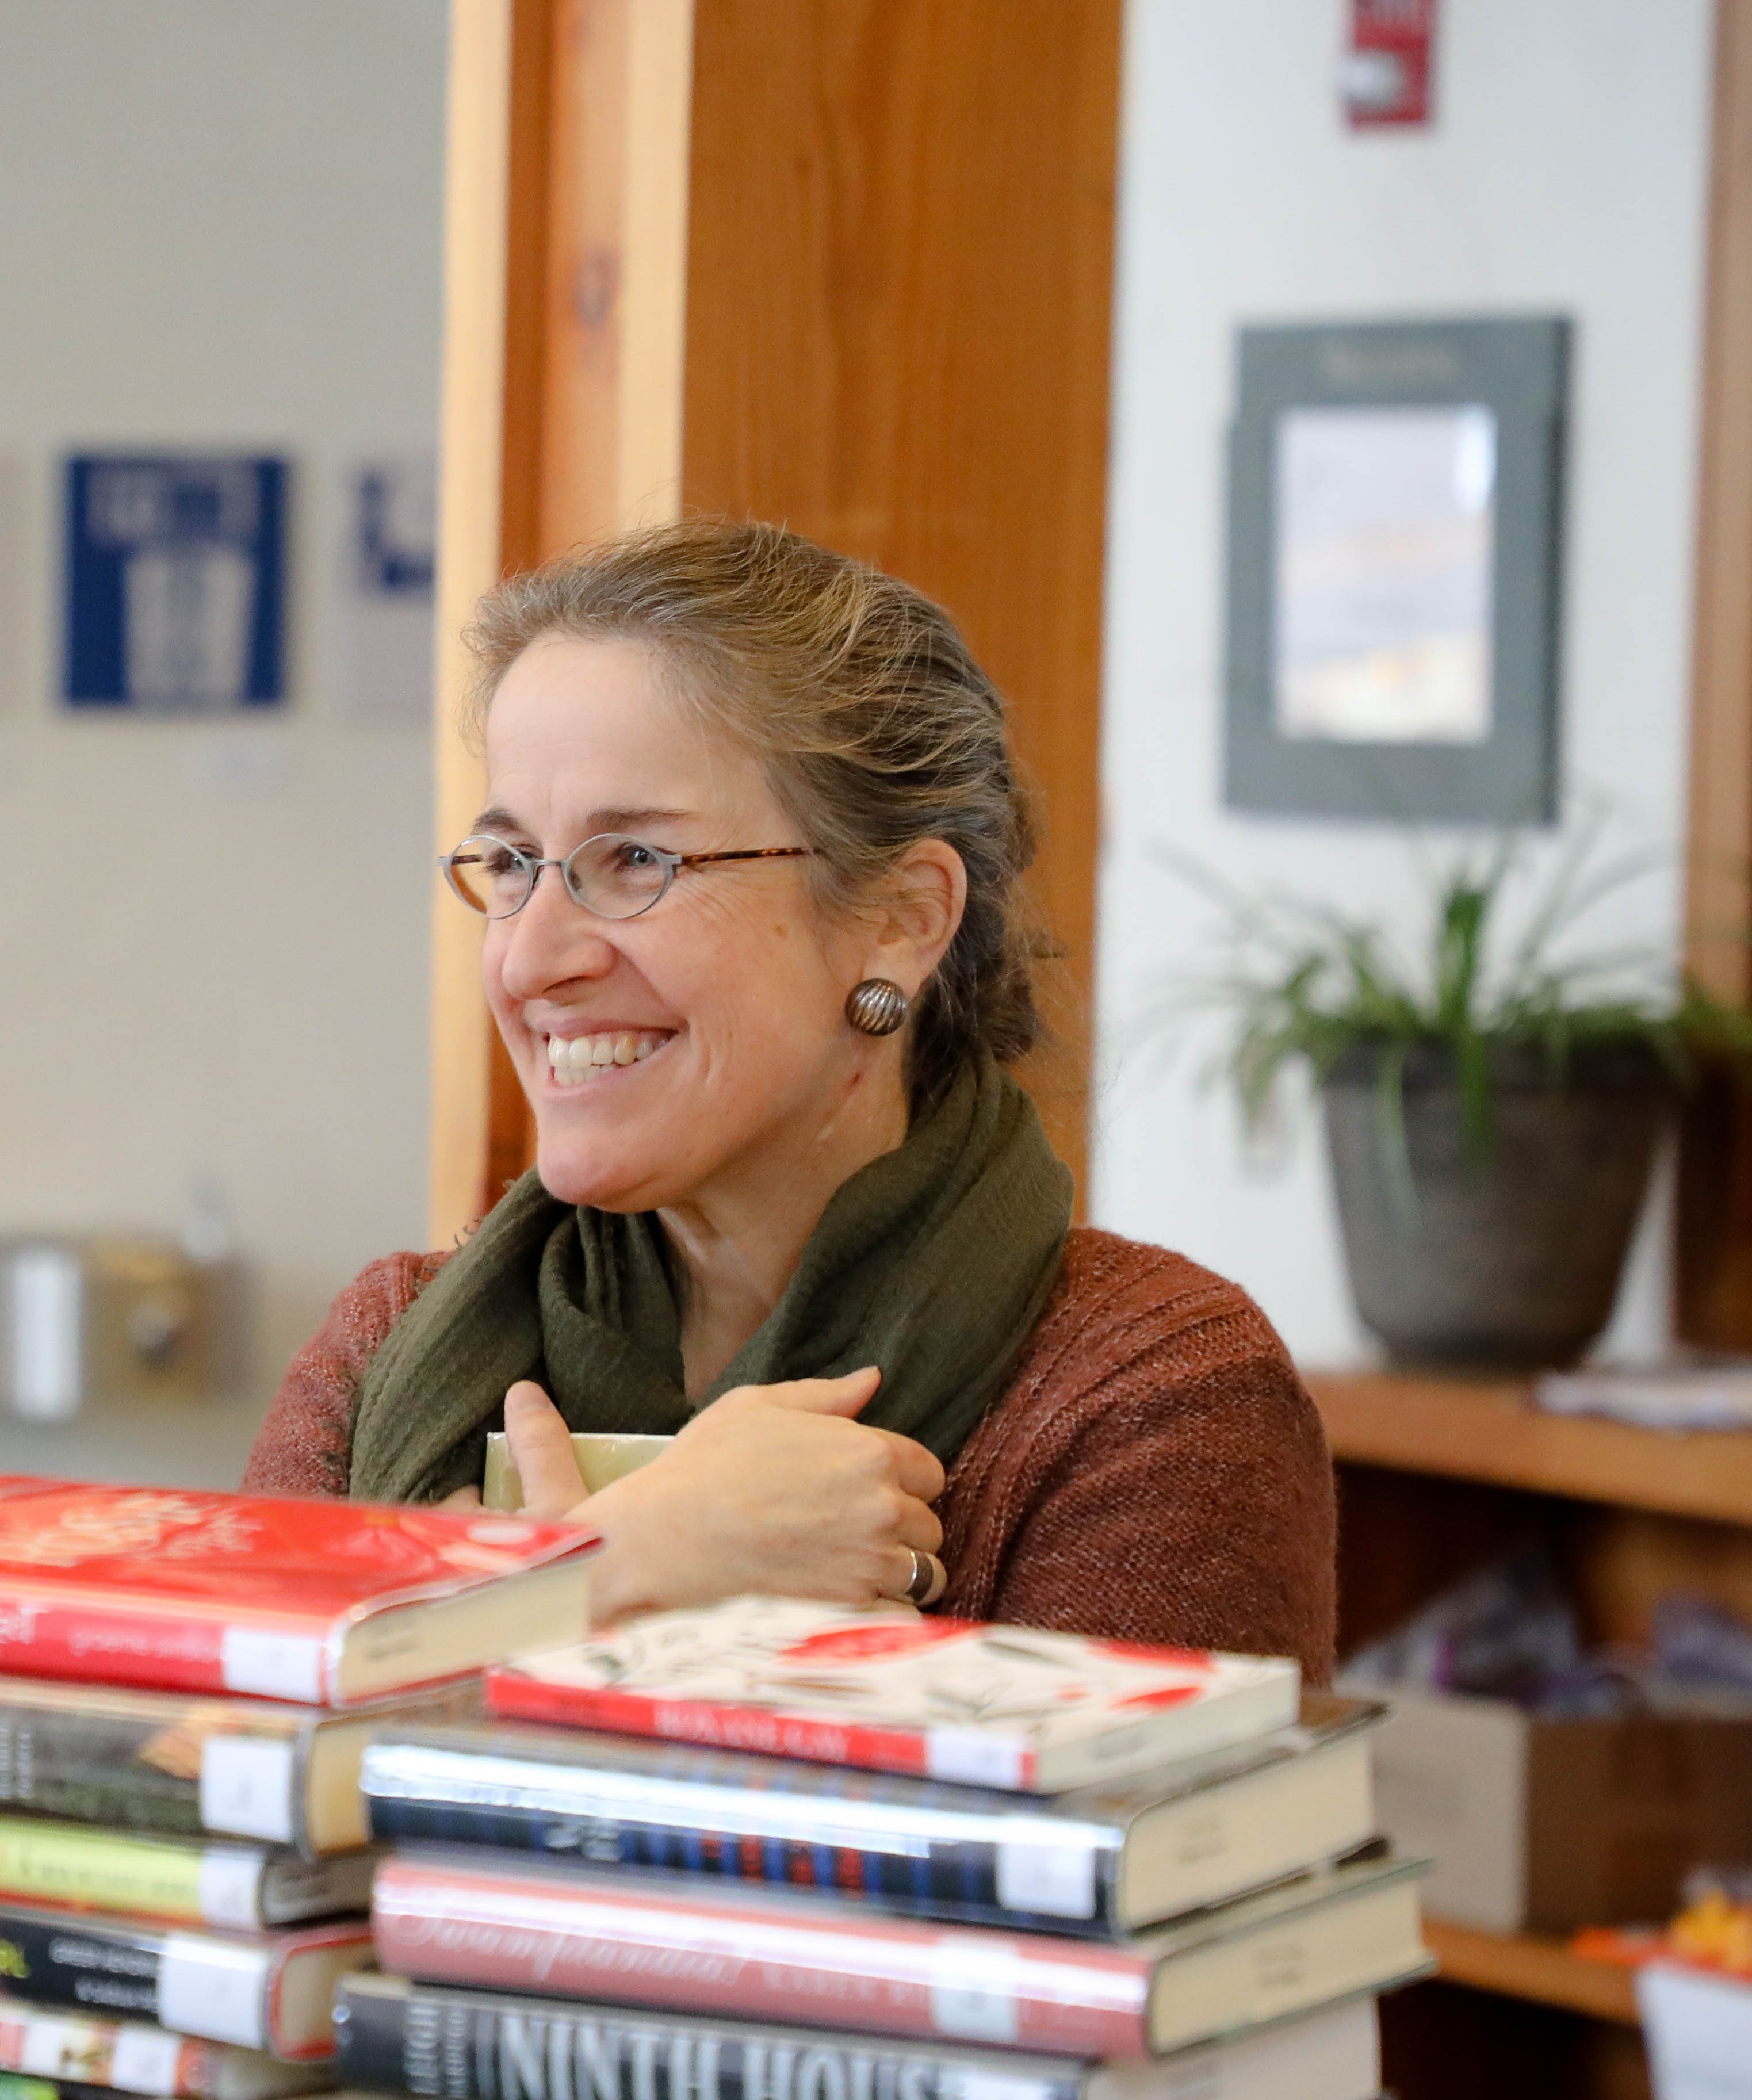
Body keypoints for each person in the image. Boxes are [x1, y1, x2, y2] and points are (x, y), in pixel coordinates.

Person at [247, 517, 1334, 1676]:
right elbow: (224, 1794)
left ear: (901, 917)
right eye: (512, 866)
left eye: (633, 861)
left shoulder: (1145, 1403)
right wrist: (615, 1573)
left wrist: (500, 1619)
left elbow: (1068, 1854)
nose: (527, 959)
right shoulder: (385, 1351)